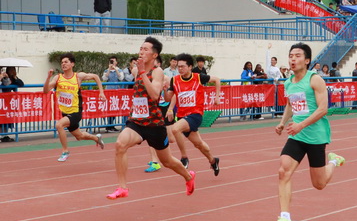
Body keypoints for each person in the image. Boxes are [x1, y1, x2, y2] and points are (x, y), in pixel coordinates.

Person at [267, 43, 345, 221]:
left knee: (319, 184)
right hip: (297, 135)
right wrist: (283, 122)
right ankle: (284, 218)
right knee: (283, 171)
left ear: (307, 60)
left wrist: (301, 125)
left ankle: (334, 161)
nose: (293, 59)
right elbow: (290, 104)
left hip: (316, 136)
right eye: (290, 56)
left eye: (297, 56)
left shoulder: (315, 80)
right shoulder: (288, 82)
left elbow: (323, 109)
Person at [105, 37, 196, 200]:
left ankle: (188, 176)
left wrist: (142, 73)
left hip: (154, 124)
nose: (141, 51)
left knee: (167, 161)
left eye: (145, 49)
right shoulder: (135, 70)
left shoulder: (157, 71)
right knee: (120, 144)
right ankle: (122, 188)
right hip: (136, 121)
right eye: (141, 48)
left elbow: (154, 95)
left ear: (154, 55)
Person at [165, 53, 222, 176]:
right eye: (179, 67)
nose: (180, 69)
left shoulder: (198, 77)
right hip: (182, 116)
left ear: (190, 67)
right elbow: (170, 97)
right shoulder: (174, 80)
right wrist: (167, 99)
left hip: (195, 115)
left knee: (175, 129)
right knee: (199, 144)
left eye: (183, 66)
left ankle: (184, 157)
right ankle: (213, 160)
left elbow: (217, 80)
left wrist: (217, 97)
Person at [43, 53, 106, 161]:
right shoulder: (58, 78)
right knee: (79, 136)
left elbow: (95, 76)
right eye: (62, 62)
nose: (63, 64)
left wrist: (101, 92)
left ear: (72, 64)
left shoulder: (78, 76)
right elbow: (45, 91)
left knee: (59, 125)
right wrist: (48, 78)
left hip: (76, 112)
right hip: (65, 113)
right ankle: (96, 138)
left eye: (66, 62)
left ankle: (65, 151)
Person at [1, 66, 25, 142]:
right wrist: (2, 77)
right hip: (2, 101)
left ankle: (4, 135)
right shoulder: (2, 77)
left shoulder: (12, 78)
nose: (12, 71)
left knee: (6, 118)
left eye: (13, 70)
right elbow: (5, 84)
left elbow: (21, 84)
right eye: (10, 70)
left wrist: (14, 77)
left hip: (7, 102)